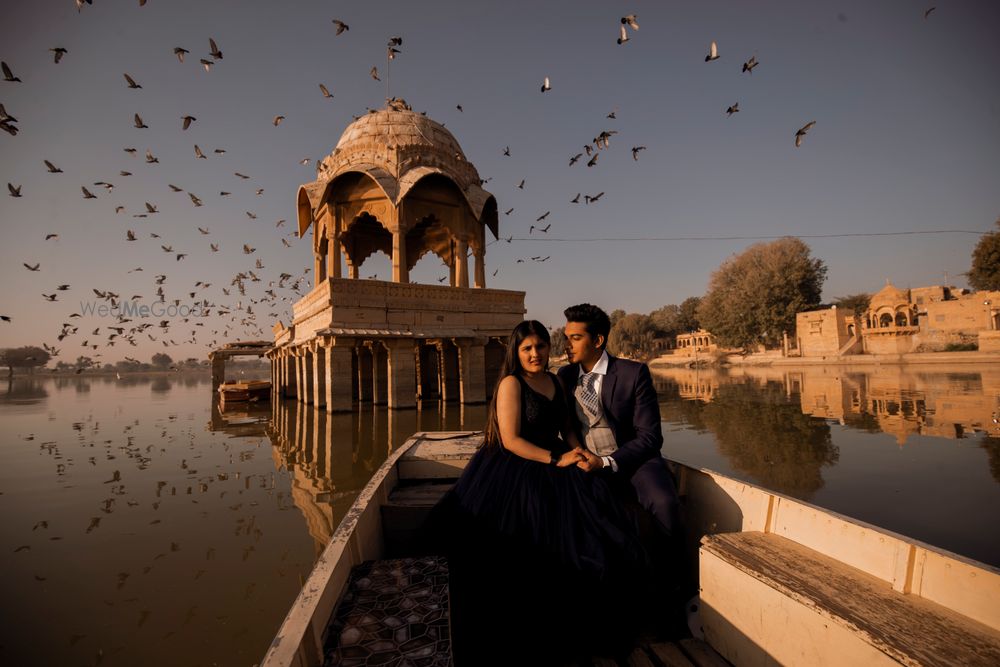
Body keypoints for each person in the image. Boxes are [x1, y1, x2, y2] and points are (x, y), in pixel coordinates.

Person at [431, 320, 652, 665]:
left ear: (549, 348)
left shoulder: (556, 381)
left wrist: (579, 452)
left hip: (559, 458)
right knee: (527, 547)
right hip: (516, 466)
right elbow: (511, 440)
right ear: (516, 352)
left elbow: (567, 427)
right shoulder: (511, 384)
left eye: (541, 346)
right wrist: (556, 458)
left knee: (602, 526)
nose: (535, 354)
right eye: (527, 348)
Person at [557, 303, 687, 633]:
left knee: (665, 503)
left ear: (598, 340)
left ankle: (673, 591)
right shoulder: (565, 375)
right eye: (566, 337)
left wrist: (610, 461)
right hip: (585, 462)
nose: (567, 344)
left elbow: (650, 436)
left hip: (633, 460)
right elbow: (563, 426)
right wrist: (581, 456)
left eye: (574, 338)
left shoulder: (632, 373)